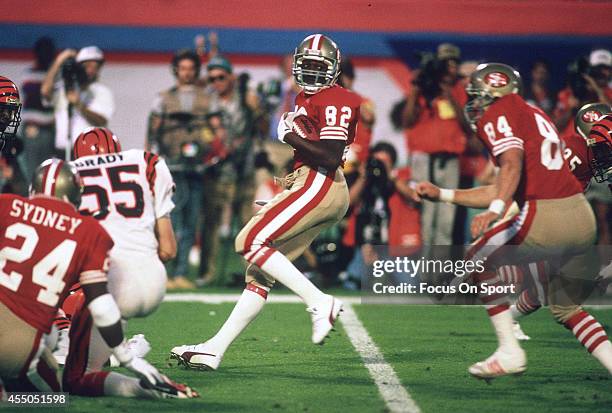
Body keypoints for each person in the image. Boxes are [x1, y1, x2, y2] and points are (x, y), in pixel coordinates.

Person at [170, 33, 361, 370]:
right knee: (259, 272)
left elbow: (331, 157)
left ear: (333, 70)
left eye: (321, 67)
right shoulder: (308, 98)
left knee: (248, 240)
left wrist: (290, 135)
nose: (314, 74)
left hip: (321, 182)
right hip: (313, 183)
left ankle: (319, 301)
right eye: (309, 66)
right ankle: (214, 349)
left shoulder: (335, 98)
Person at [417, 63, 610, 378]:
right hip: (581, 217)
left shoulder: (500, 113)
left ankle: (509, 351)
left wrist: (494, 210)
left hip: (547, 214)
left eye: (478, 97)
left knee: (477, 258)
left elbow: (510, 166)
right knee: (566, 308)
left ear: (493, 94)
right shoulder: (533, 113)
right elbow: (505, 182)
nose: (474, 104)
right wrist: (444, 194)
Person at [0, 159, 193, 397]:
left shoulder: (6, 205)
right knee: (50, 397)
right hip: (17, 345)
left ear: (32, 189)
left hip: (18, 325)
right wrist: (128, 358)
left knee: (49, 337)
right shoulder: (89, 231)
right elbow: (101, 306)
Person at [62, 127, 183, 396]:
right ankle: (120, 352)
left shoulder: (68, 175)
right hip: (152, 284)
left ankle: (124, 366)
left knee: (74, 379)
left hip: (104, 291)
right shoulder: (146, 163)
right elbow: (168, 250)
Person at [148, 49, 223, 289]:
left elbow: (217, 130)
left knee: (191, 222)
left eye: (191, 69)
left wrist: (215, 150)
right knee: (170, 219)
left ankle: (180, 273)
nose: (187, 73)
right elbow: (153, 131)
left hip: (198, 168)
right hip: (171, 167)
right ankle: (164, 272)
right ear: (176, 71)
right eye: (183, 69)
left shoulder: (208, 98)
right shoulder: (163, 98)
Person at [198, 55, 263, 286]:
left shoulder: (244, 98)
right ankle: (208, 273)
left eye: (221, 77)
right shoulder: (207, 101)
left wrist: (253, 103)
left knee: (247, 223)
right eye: (212, 78)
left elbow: (259, 122)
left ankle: (252, 273)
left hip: (243, 169)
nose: (216, 82)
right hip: (217, 171)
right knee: (212, 224)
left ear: (230, 77)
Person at [402, 43, 472, 245]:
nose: (451, 69)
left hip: (450, 160)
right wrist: (416, 89)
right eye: (446, 64)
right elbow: (406, 121)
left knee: (446, 219)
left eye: (454, 64)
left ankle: (439, 274)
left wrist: (450, 95)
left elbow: (468, 127)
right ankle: (425, 273)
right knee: (426, 216)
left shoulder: (460, 89)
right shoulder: (425, 85)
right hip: (423, 158)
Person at [41, 46, 115, 158]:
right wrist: (59, 60)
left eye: (95, 67)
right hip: (62, 150)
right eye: (87, 66)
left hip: (89, 153)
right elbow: (45, 91)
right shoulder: (65, 88)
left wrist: (79, 105)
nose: (91, 71)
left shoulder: (102, 91)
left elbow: (101, 121)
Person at [18, 37, 57, 181]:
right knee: (33, 173)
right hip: (33, 130)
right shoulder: (29, 73)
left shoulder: (55, 75)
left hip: (50, 131)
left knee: (47, 173)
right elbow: (38, 95)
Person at [0, 76, 25, 193]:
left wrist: (12, 178)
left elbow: (22, 192)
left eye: (11, 112)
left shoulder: (10, 145)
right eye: (4, 111)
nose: (9, 117)